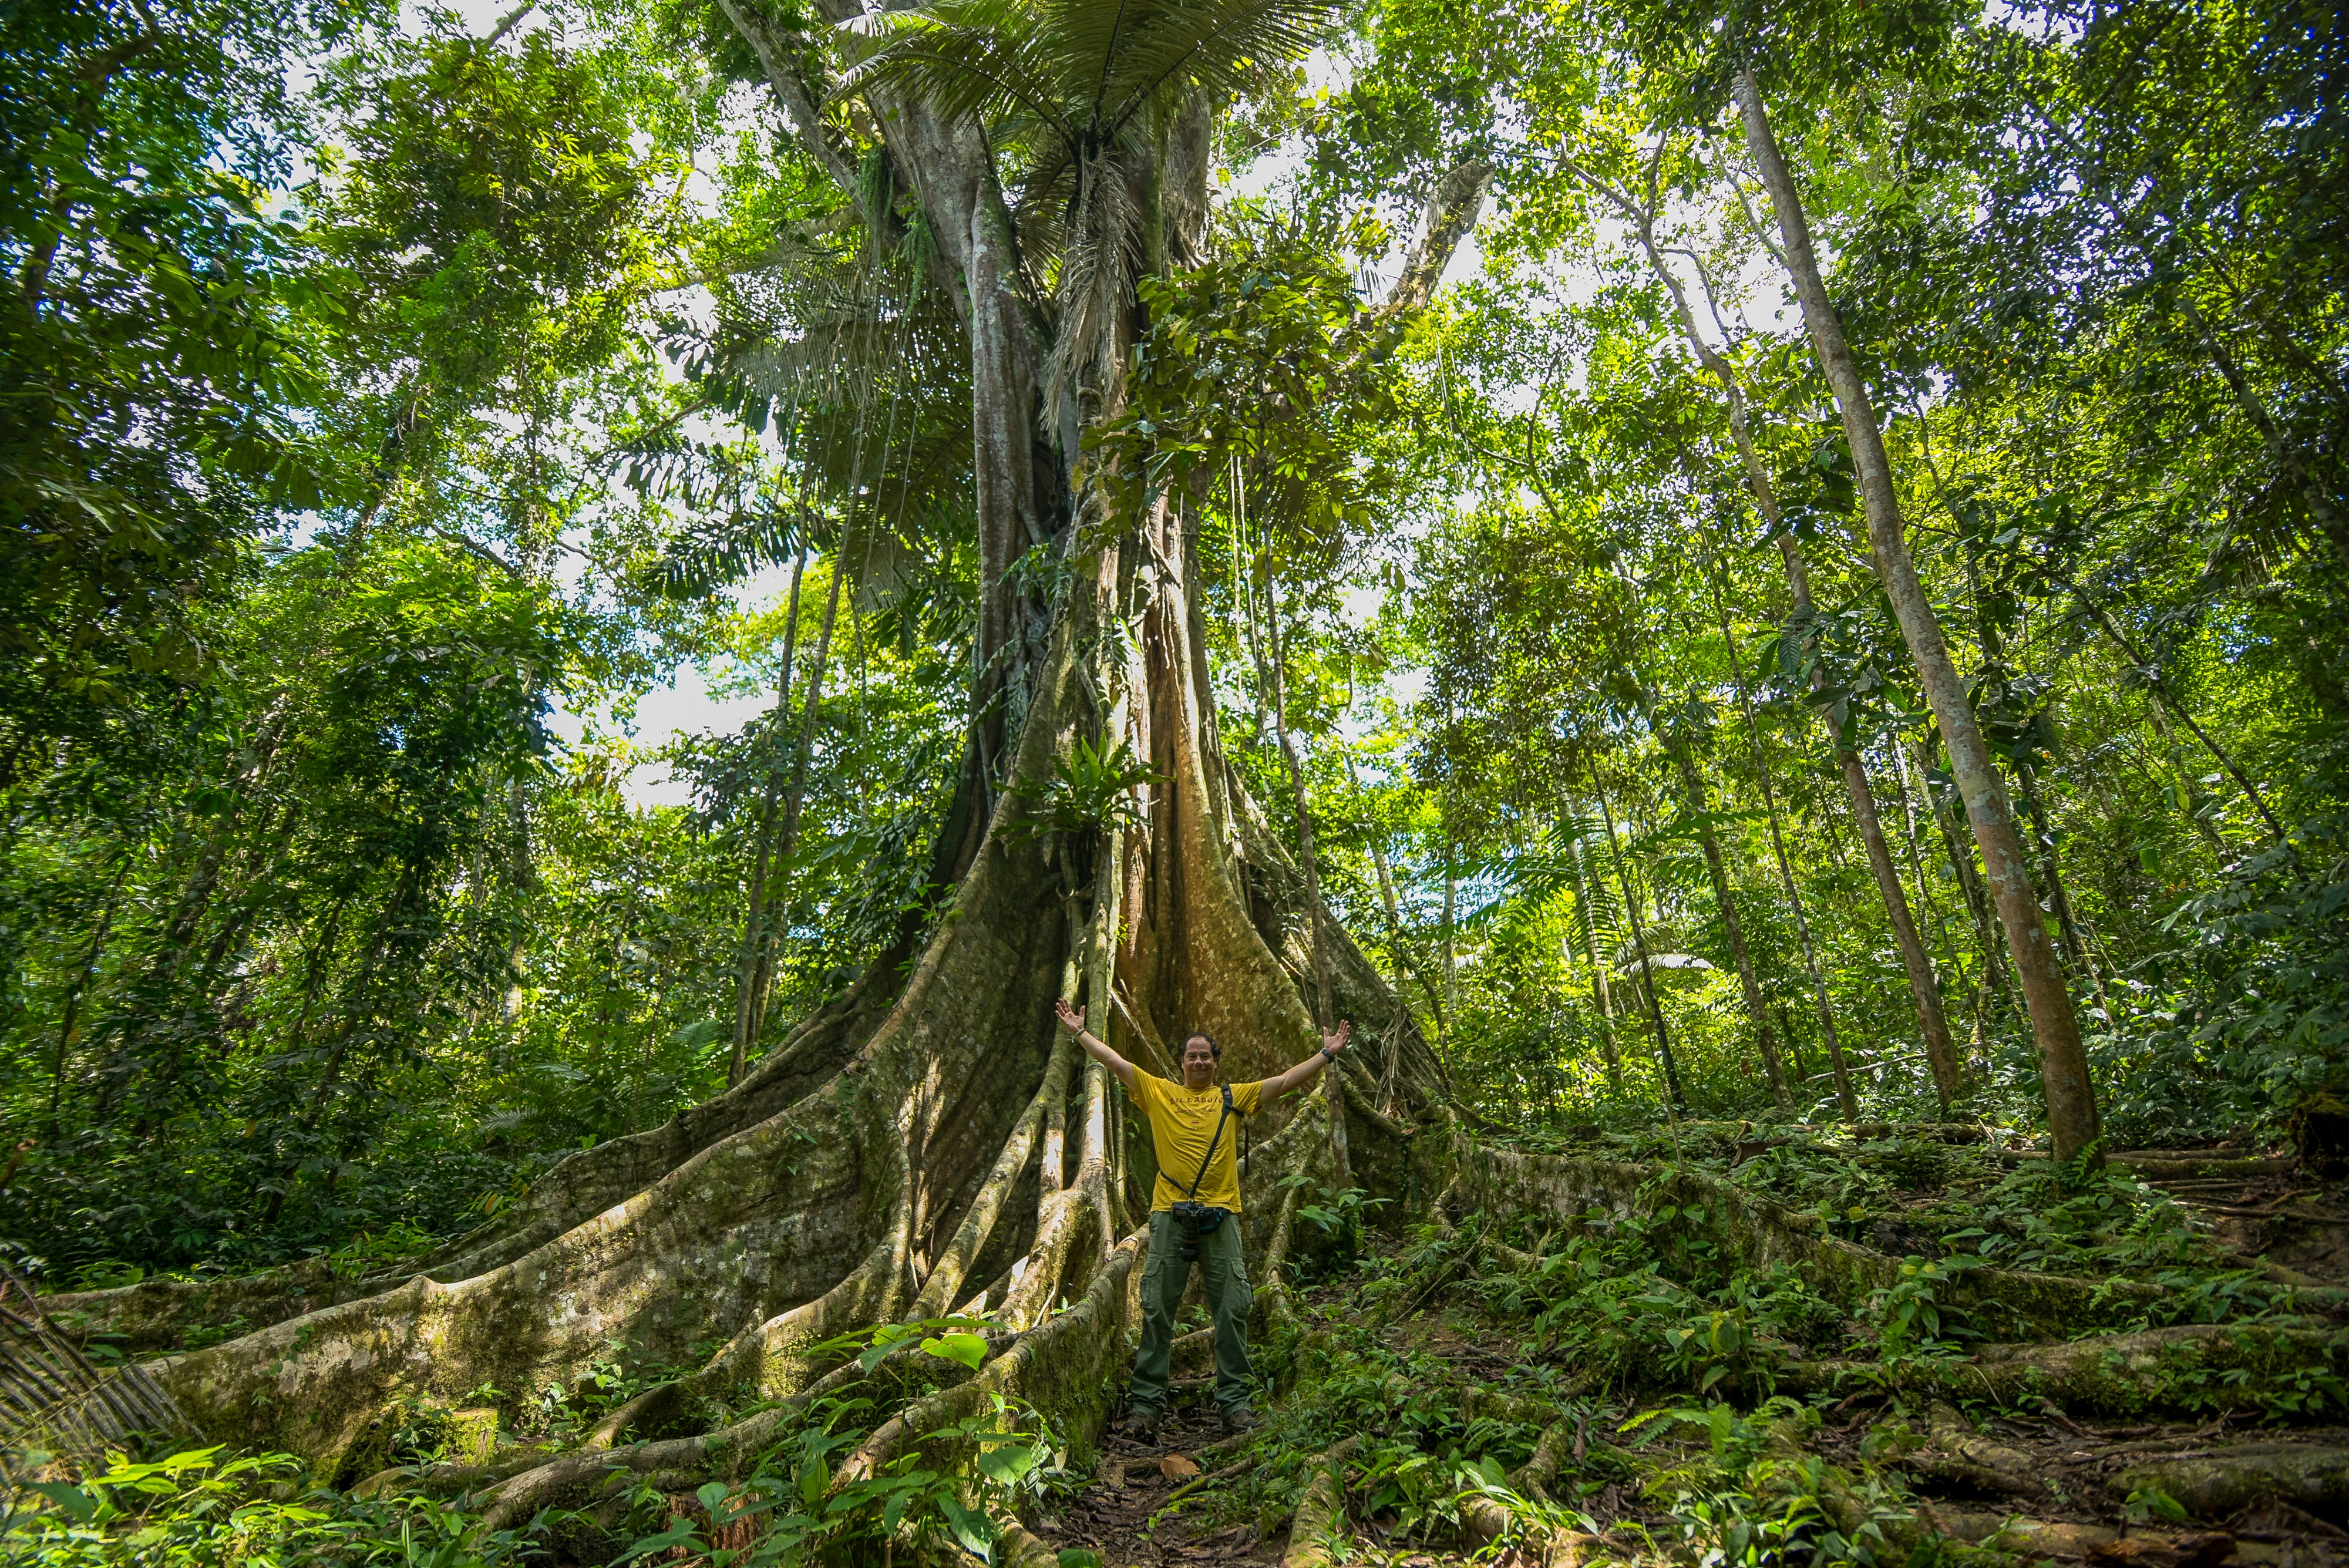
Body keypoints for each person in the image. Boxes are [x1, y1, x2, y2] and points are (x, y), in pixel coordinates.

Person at [1052, 998, 1350, 1439]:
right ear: (1182, 1063)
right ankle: (1146, 1406)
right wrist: (1079, 1032)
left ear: (1215, 1063)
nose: (1198, 1061)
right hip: (1170, 1217)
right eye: (1191, 1055)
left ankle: (1235, 1404)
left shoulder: (1234, 1097)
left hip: (1222, 1217)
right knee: (1156, 1311)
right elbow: (1116, 1062)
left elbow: (1285, 1082)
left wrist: (1326, 1054)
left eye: (1205, 1056)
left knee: (1233, 1309)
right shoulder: (1160, 1092)